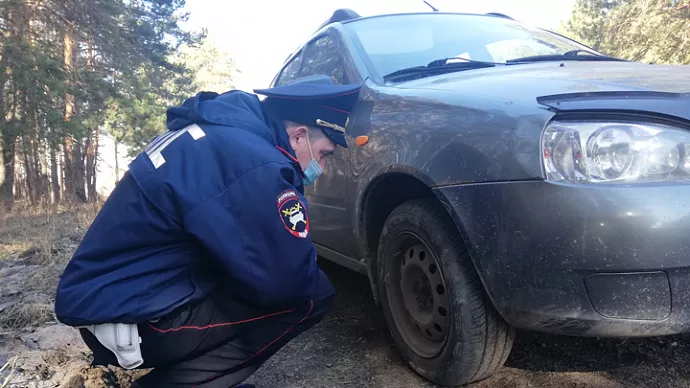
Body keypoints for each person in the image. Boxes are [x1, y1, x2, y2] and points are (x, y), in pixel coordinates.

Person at [53, 75, 362, 388]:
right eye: (324, 154)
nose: (321, 167)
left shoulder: (222, 136)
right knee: (311, 295)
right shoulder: (255, 163)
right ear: (298, 137)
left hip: (113, 301)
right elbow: (288, 281)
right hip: (132, 317)